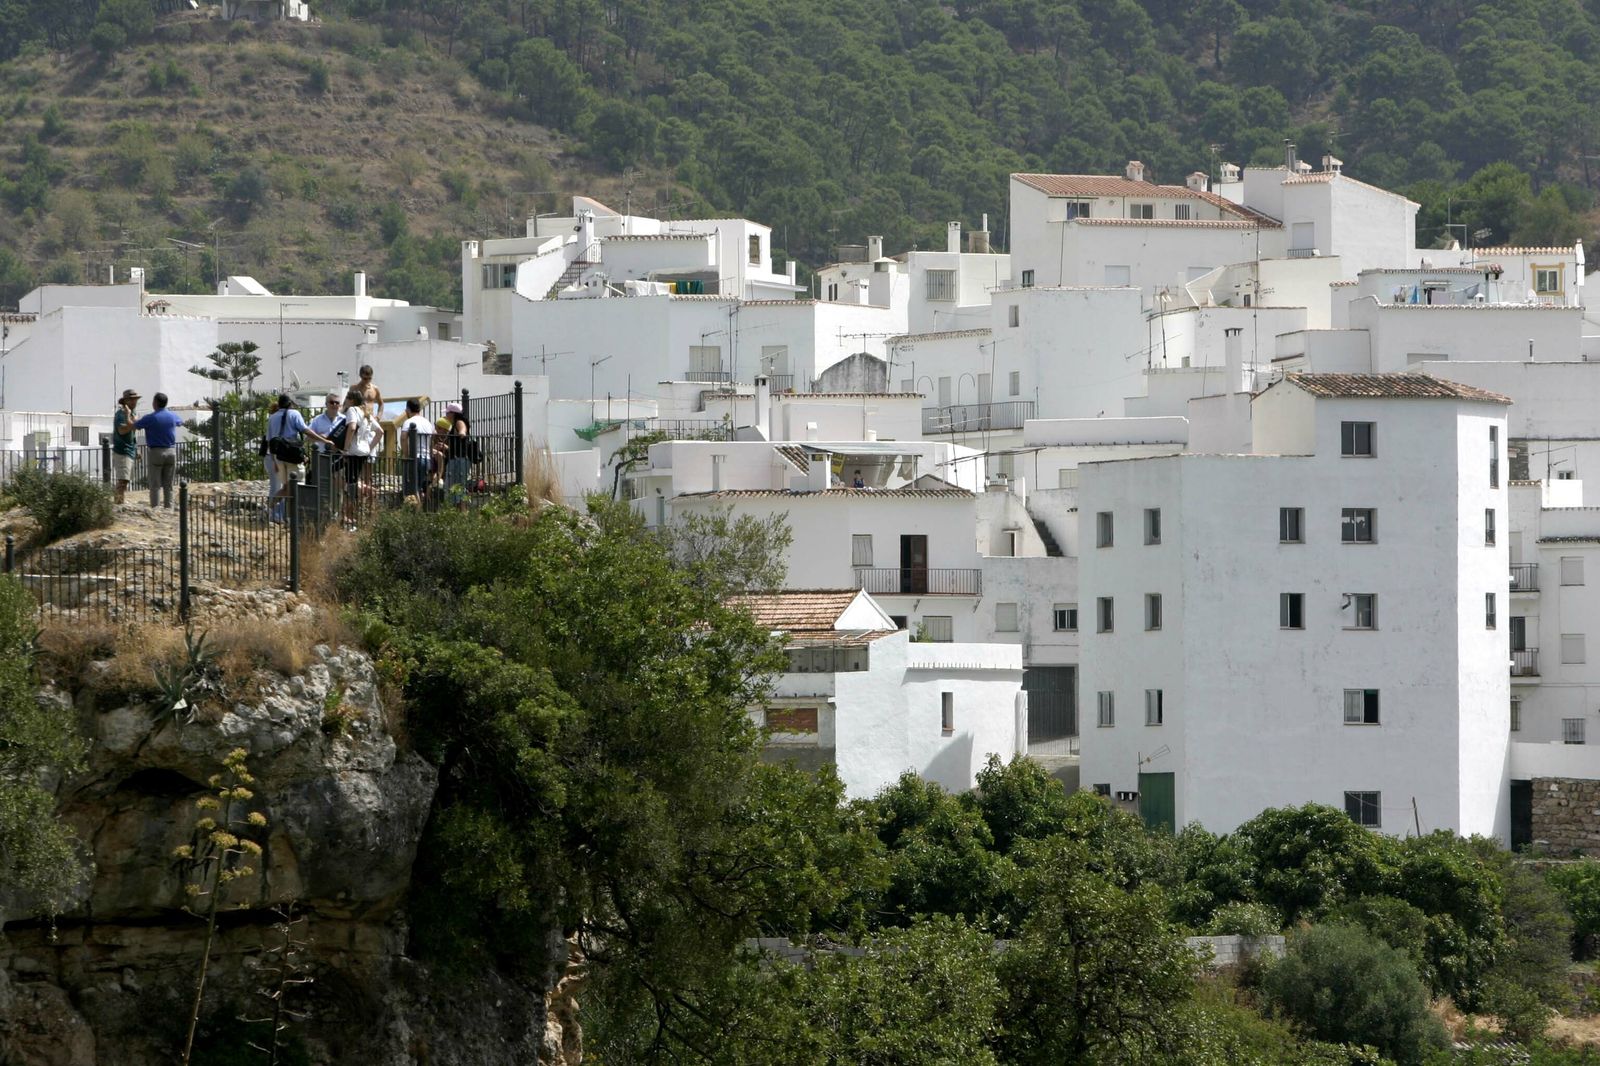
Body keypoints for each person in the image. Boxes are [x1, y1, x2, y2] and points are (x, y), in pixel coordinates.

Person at [265, 394, 331, 523]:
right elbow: (306, 430)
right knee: (297, 487)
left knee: (286, 488)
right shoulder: (294, 414)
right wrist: (324, 440)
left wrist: (273, 461)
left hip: (279, 457)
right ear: (290, 404)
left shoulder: (272, 418)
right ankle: (294, 519)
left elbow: (269, 441)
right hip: (293, 456)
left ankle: (273, 507)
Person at [134, 392, 183, 509]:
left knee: (155, 484)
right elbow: (180, 422)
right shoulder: (172, 416)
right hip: (171, 451)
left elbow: (136, 425)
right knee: (168, 484)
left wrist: (134, 418)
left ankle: (155, 508)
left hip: (156, 452)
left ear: (155, 403)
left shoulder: (150, 418)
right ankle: (168, 507)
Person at [339, 388, 378, 529]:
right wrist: (368, 446)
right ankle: (352, 515)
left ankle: (348, 518)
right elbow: (380, 432)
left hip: (353, 453)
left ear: (351, 400)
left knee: (350, 485)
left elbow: (352, 428)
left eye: (347, 399)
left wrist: (345, 449)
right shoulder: (366, 413)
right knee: (353, 483)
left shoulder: (352, 410)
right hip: (363, 453)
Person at [398, 398, 434, 501]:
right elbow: (433, 439)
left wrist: (406, 455)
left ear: (408, 409)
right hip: (426, 458)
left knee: (411, 488)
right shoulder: (428, 423)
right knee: (419, 487)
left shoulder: (409, 422)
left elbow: (403, 438)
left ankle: (416, 509)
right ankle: (420, 507)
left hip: (414, 458)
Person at [306, 393, 343, 489]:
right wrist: (320, 437)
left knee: (338, 483)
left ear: (340, 405)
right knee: (323, 485)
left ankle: (338, 499)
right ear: (326, 404)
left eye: (337, 403)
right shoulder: (317, 420)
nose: (334, 405)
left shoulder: (344, 420)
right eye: (331, 402)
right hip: (321, 457)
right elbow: (307, 438)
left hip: (339, 457)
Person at [112, 388, 139, 504]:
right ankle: (118, 503)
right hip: (122, 451)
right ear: (125, 401)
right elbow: (122, 430)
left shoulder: (133, 413)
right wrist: (132, 422)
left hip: (130, 450)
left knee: (125, 480)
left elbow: (133, 434)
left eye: (135, 399)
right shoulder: (121, 414)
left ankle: (119, 502)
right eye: (131, 399)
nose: (134, 402)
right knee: (123, 480)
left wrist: (136, 449)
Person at [443, 401, 473, 497]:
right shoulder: (454, 424)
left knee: (457, 487)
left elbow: (462, 431)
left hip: (459, 459)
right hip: (456, 458)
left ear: (453, 414)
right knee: (454, 487)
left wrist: (461, 433)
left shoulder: (459, 422)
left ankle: (460, 506)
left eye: (447, 412)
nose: (446, 415)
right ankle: (457, 506)